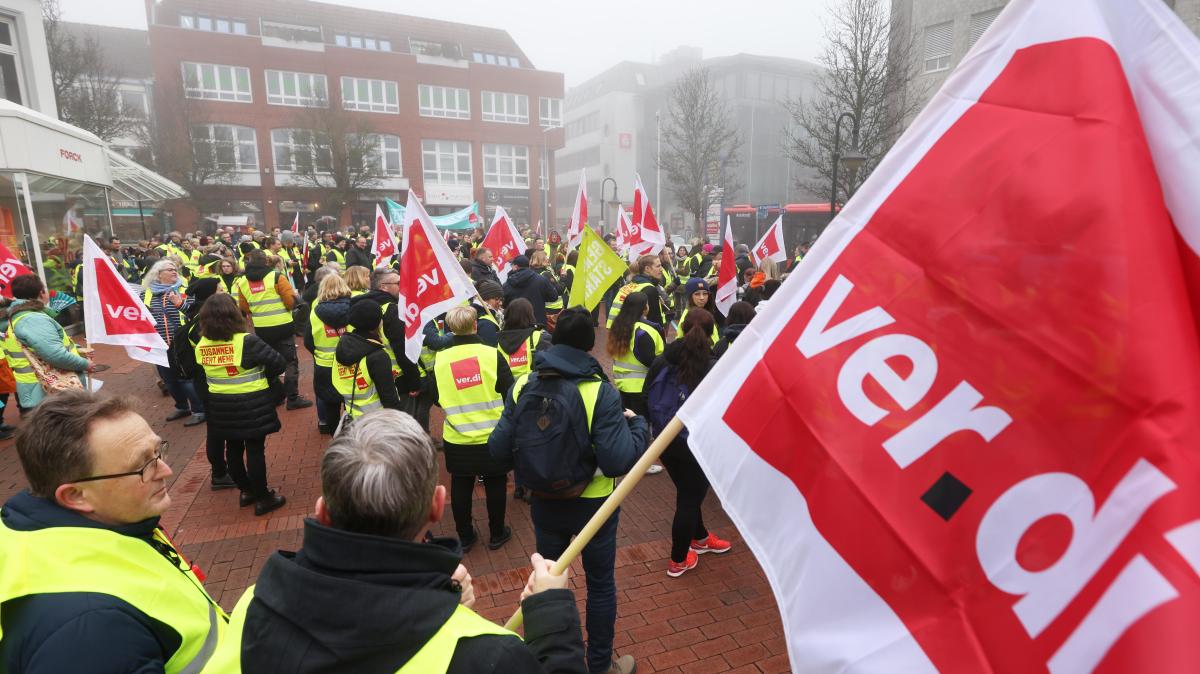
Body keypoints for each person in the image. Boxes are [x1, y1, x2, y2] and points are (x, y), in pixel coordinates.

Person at [206, 409, 585, 673]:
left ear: (322, 511)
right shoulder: (488, 654)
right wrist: (551, 617)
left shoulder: (251, 606)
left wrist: (441, 602)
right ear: (438, 505)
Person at [0, 391, 226, 672]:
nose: (165, 469)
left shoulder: (108, 522)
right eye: (143, 465)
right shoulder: (88, 633)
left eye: (158, 451)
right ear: (76, 496)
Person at [489, 307, 647, 674]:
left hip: (545, 501)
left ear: (554, 338)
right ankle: (598, 665)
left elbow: (497, 450)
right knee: (601, 585)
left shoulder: (523, 384)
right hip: (595, 506)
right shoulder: (600, 392)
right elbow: (617, 461)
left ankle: (546, 659)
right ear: (591, 346)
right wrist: (638, 426)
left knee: (547, 585)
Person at [645, 308, 732, 577]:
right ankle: (679, 559)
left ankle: (701, 537)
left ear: (681, 328)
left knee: (687, 491)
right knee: (690, 498)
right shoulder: (713, 366)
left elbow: (647, 395)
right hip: (698, 442)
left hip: (667, 440)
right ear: (710, 333)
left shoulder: (662, 361)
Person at [430, 306, 514, 552]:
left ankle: (465, 536)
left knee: (461, 483)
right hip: (493, 433)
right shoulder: (491, 354)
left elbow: (436, 397)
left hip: (458, 434)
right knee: (496, 481)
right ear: (475, 325)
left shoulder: (440, 360)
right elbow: (509, 390)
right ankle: (497, 533)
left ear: (449, 329)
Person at [196, 294, 288, 516]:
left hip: (220, 404)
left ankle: (246, 491)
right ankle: (263, 497)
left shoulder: (202, 345)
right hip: (251, 402)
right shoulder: (246, 341)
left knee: (233, 449)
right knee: (255, 450)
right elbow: (278, 362)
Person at [233, 249, 313, 409]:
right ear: (266, 261)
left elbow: (244, 307)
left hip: (262, 329)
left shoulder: (241, 282)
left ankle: (276, 396)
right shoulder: (276, 277)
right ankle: (293, 399)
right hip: (283, 326)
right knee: (290, 362)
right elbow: (290, 302)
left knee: (268, 362)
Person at [3, 274, 90, 411]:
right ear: (41, 293)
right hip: (50, 392)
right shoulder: (32, 318)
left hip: (39, 390)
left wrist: (76, 349)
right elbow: (55, 355)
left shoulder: (21, 315)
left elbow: (39, 347)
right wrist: (86, 364)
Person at [348, 266, 422, 410]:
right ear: (384, 287)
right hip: (395, 377)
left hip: (365, 376)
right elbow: (402, 348)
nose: (402, 286)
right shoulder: (391, 309)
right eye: (398, 283)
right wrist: (414, 382)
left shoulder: (358, 306)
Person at [143, 259, 205, 426]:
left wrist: (180, 304)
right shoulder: (146, 294)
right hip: (159, 344)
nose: (174, 271)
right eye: (169, 269)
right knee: (169, 380)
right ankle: (182, 406)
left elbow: (195, 313)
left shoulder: (185, 290)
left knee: (185, 379)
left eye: (174, 269)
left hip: (181, 344)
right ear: (158, 274)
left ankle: (199, 410)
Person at [333, 299, 403, 421]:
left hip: (354, 417)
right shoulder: (378, 356)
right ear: (377, 323)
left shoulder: (342, 347)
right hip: (378, 421)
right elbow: (389, 398)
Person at [605, 291, 664, 416]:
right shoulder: (643, 330)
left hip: (622, 385)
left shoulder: (618, 326)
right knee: (641, 426)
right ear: (644, 308)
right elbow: (650, 361)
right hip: (641, 387)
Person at [308, 272, 351, 434]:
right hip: (351, 363)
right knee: (352, 403)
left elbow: (308, 341)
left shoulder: (314, 311)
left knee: (331, 405)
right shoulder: (353, 307)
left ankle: (335, 436)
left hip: (325, 365)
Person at [606, 254, 666, 333]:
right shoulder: (649, 289)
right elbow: (655, 321)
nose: (661, 269)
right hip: (638, 337)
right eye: (658, 266)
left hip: (618, 333)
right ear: (647, 269)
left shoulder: (628, 286)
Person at [497, 298, 550, 382]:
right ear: (530, 315)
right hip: (531, 387)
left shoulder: (497, 340)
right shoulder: (539, 337)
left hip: (507, 389)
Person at [503, 255, 559, 327]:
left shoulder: (508, 283)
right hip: (538, 323)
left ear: (516, 266)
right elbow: (554, 296)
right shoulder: (541, 279)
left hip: (516, 325)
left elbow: (504, 304)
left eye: (512, 265)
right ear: (528, 265)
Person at [678, 278, 721, 344]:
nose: (702, 298)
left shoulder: (706, 312)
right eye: (697, 294)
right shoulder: (688, 318)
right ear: (690, 297)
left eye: (705, 293)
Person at [529, 251, 563, 328]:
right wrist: (563, 278)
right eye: (545, 258)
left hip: (539, 307)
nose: (548, 259)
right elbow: (559, 290)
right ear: (541, 260)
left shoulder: (530, 272)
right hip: (553, 308)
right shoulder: (546, 274)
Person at [473, 280, 504, 347]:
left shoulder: (490, 315)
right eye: (496, 299)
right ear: (485, 299)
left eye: (501, 299)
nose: (500, 303)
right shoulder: (486, 324)